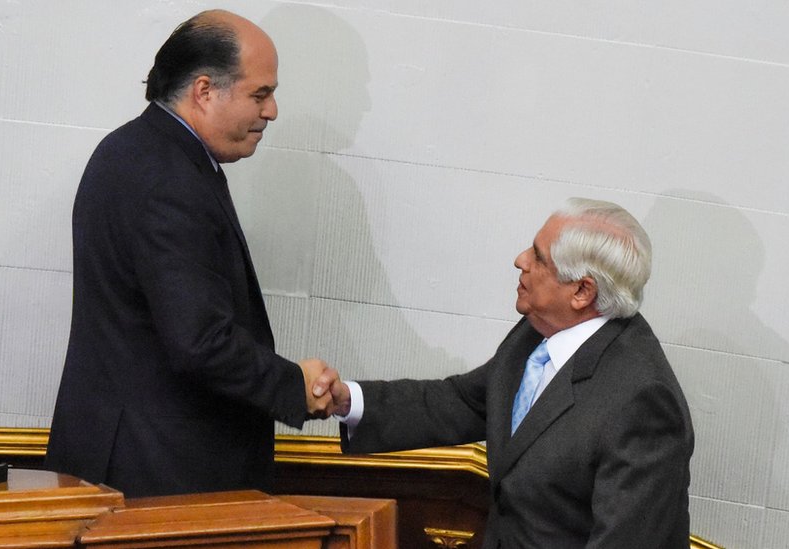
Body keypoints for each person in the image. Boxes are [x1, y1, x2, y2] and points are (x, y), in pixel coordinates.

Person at [46, 9, 338, 498]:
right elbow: (200, 341)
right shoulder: (169, 179)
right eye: (260, 94)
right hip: (157, 477)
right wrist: (295, 386)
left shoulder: (134, 150)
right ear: (204, 91)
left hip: (131, 461)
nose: (271, 111)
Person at [316, 198, 694, 548]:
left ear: (582, 291)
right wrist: (347, 400)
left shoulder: (643, 403)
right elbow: (466, 401)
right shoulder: (538, 330)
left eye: (539, 258)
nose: (520, 260)